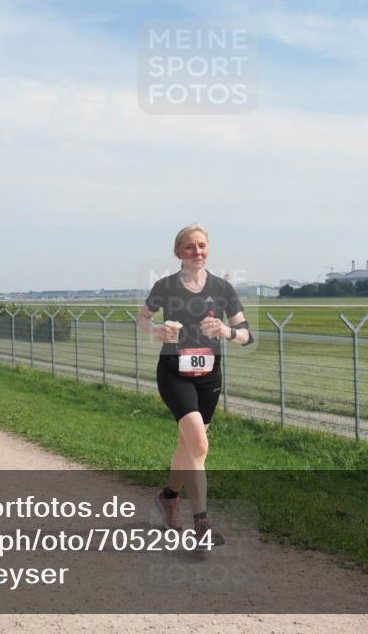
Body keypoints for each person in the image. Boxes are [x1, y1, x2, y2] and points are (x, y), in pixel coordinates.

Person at [135, 224, 252, 546]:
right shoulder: (166, 286)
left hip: (209, 375)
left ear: (208, 249)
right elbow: (142, 318)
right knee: (199, 445)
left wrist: (227, 333)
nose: (196, 252)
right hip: (174, 371)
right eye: (189, 247)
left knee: (187, 447)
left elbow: (246, 334)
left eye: (201, 246)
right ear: (178, 252)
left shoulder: (223, 288)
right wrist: (155, 330)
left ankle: (169, 496)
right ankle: (202, 525)